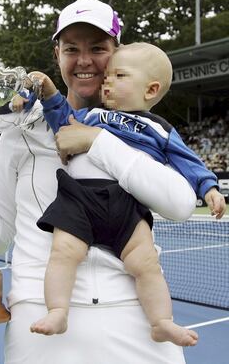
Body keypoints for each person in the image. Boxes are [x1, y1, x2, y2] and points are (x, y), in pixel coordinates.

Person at [0, 0, 198, 364]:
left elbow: (181, 205)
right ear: (57, 53)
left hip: (138, 312)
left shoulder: (144, 131)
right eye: (72, 48)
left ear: (117, 52)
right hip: (41, 315)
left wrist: (97, 141)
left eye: (98, 48)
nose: (85, 60)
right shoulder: (20, 128)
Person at [21, 43, 225, 344]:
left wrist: (209, 188)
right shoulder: (91, 116)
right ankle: (58, 311)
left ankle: (161, 321)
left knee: (146, 263)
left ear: (150, 89)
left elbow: (188, 162)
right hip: (79, 197)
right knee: (63, 253)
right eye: (108, 77)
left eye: (119, 76)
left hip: (126, 204)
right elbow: (62, 120)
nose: (108, 82)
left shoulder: (161, 129)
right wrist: (49, 92)